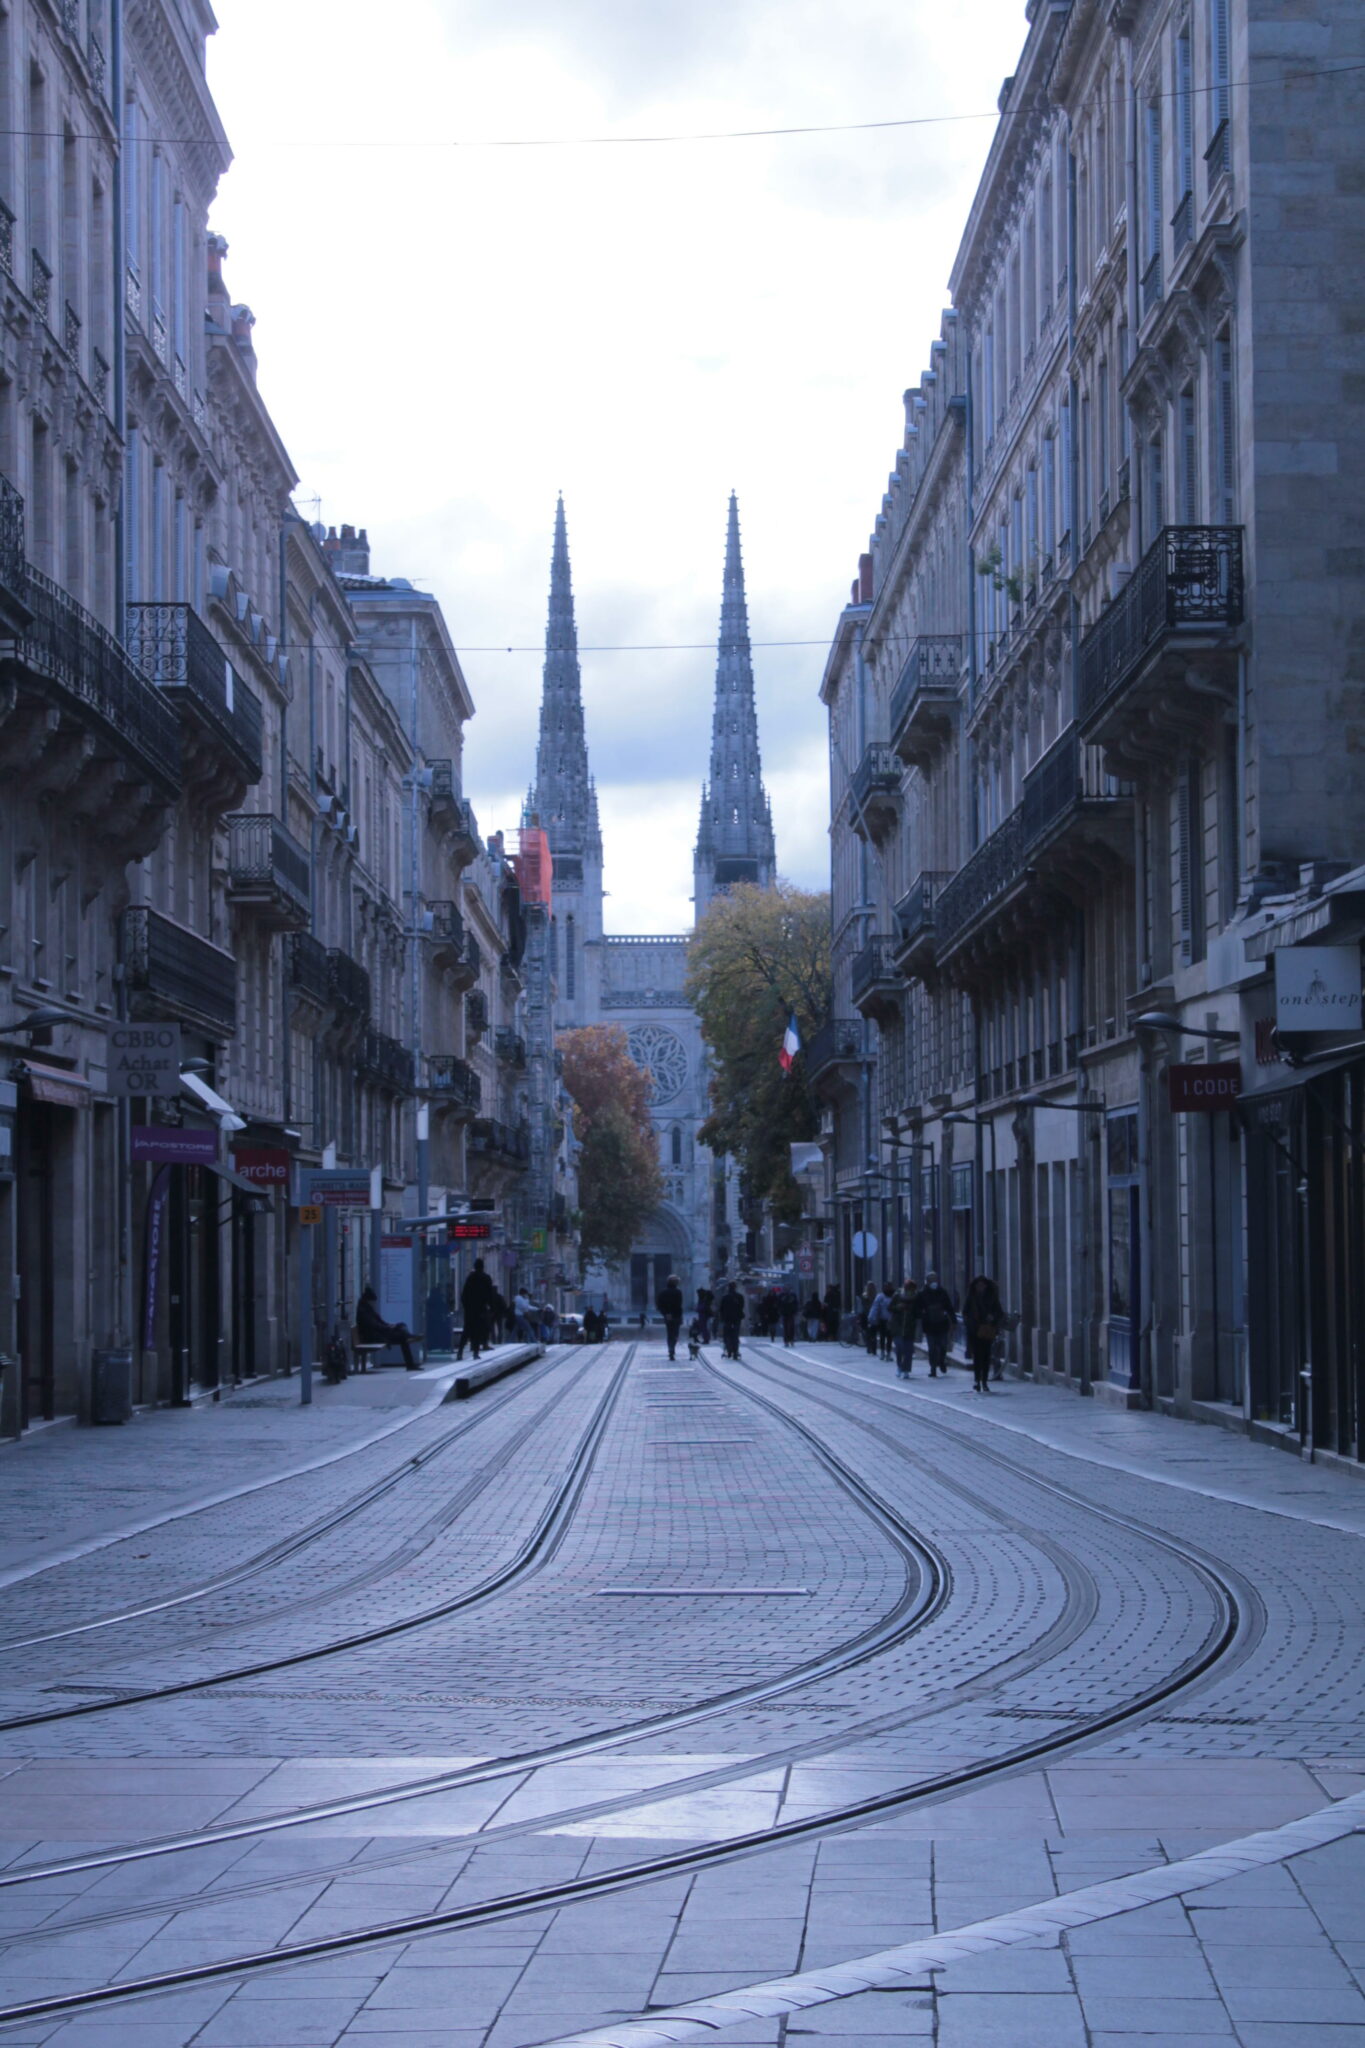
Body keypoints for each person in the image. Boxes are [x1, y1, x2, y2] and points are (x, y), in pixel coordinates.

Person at [355, 1285, 419, 1371]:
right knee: (402, 1337)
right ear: (368, 1300)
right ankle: (410, 1364)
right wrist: (388, 1327)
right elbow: (374, 1325)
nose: (374, 1303)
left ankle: (409, 1336)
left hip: (379, 1332)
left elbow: (378, 1322)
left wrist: (389, 1325)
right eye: (372, 1301)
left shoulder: (367, 1309)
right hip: (374, 1336)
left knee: (401, 1325)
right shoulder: (364, 1311)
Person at [963, 1274, 1005, 1393]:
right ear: (975, 1286)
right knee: (977, 1356)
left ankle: (984, 1381)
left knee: (986, 1357)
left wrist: (993, 1318)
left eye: (982, 1285)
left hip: (988, 1330)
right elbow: (965, 1312)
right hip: (975, 1331)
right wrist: (970, 1323)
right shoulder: (971, 1297)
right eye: (978, 1285)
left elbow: (999, 1313)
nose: (980, 1287)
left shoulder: (992, 1297)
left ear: (986, 1286)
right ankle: (977, 1380)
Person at [916, 1271, 957, 1376]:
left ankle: (941, 1362)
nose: (934, 1282)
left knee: (943, 1346)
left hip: (942, 1324)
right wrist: (922, 1315)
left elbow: (949, 1307)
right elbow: (917, 1309)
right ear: (927, 1281)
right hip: (929, 1325)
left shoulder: (942, 1292)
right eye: (931, 1280)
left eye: (935, 1280)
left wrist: (953, 1320)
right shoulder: (922, 1293)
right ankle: (933, 1368)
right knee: (932, 1348)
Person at [459, 1258, 496, 1360]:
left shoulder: (470, 1278)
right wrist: (491, 1308)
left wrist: (466, 1306)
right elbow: (490, 1295)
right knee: (478, 1330)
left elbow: (464, 1295)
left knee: (467, 1330)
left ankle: (460, 1352)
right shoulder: (486, 1278)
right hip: (481, 1309)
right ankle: (475, 1352)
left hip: (470, 1309)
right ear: (483, 1267)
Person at [889, 1279, 919, 1378]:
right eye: (908, 1288)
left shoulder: (916, 1298)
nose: (909, 1291)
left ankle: (906, 1369)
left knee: (908, 1350)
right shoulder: (897, 1296)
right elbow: (890, 1308)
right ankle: (899, 1367)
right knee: (899, 1349)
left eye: (911, 1289)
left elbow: (918, 1313)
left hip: (909, 1327)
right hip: (897, 1327)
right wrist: (898, 1307)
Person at [656, 1272, 684, 1360]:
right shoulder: (678, 1292)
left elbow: (659, 1305)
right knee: (675, 1333)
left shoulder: (663, 1292)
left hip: (668, 1316)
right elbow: (679, 1305)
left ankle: (670, 1349)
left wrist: (665, 1313)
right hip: (676, 1316)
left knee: (670, 1333)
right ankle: (672, 1348)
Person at [718, 1281, 745, 1360]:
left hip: (727, 1319)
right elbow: (741, 1307)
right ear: (735, 1287)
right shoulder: (740, 1297)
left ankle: (728, 1349)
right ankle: (735, 1351)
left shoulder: (725, 1297)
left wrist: (722, 1317)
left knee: (727, 1335)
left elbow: (721, 1309)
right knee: (735, 1335)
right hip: (737, 1319)